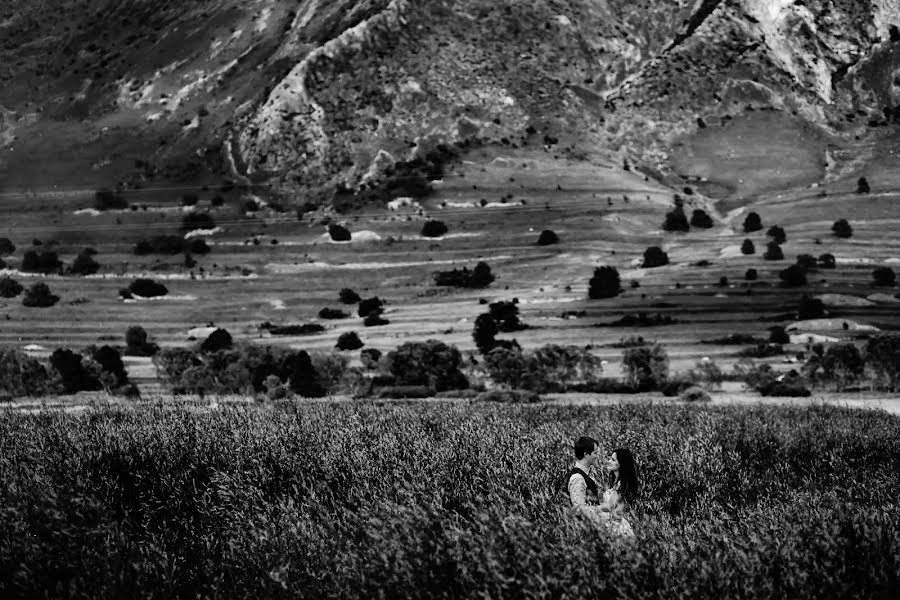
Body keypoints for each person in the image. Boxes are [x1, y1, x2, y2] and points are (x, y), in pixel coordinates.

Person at [598, 448, 638, 538]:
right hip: (609, 524)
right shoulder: (615, 482)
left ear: (621, 464)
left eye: (613, 460)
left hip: (617, 527)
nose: (609, 461)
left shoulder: (621, 485)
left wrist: (589, 509)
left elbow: (610, 506)